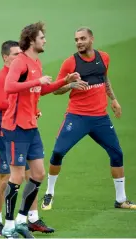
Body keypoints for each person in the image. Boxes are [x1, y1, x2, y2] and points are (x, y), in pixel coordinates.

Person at [0, 22, 81, 238]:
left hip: (31, 126)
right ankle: (7, 227)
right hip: (16, 126)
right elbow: (9, 87)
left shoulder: (36, 62)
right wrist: (36, 80)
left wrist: (66, 81)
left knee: (38, 173)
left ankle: (20, 220)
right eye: (42, 37)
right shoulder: (20, 62)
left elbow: (40, 89)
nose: (45, 40)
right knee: (17, 176)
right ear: (32, 40)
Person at [41, 27, 136, 211]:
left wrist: (114, 100)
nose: (79, 42)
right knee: (58, 152)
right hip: (77, 117)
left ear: (91, 39)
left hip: (100, 118)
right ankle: (49, 193)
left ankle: (121, 199)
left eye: (83, 38)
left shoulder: (104, 58)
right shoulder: (70, 63)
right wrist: (70, 84)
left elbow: (105, 79)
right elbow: (56, 89)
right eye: (76, 39)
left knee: (117, 154)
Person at [0, 41, 54, 237]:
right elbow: (3, 102)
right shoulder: (2, 78)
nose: (20, 57)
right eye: (15, 54)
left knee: (31, 175)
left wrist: (33, 108)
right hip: (2, 132)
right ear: (5, 57)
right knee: (4, 179)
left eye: (20, 53)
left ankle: (30, 219)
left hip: (22, 129)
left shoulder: (20, 75)